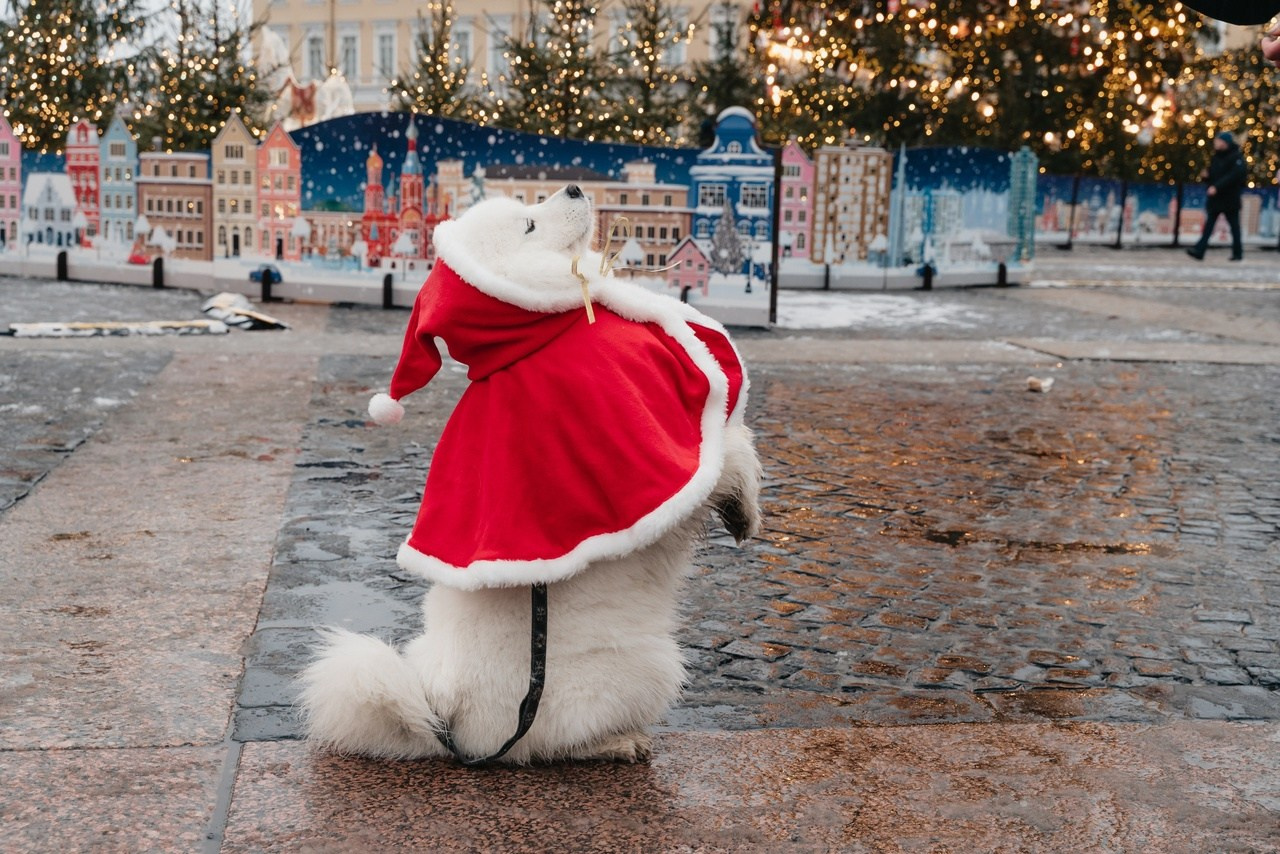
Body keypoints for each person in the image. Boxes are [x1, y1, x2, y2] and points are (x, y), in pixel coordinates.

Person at [1188, 131, 1248, 262]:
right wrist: (1206, 178)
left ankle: (1237, 252)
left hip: (1229, 198)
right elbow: (1215, 174)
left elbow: (1234, 176)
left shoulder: (1236, 157)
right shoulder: (1217, 157)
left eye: (1218, 141)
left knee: (1234, 227)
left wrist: (1217, 187)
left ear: (1225, 143)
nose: (1216, 143)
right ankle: (1200, 250)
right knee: (1209, 225)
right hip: (1217, 198)